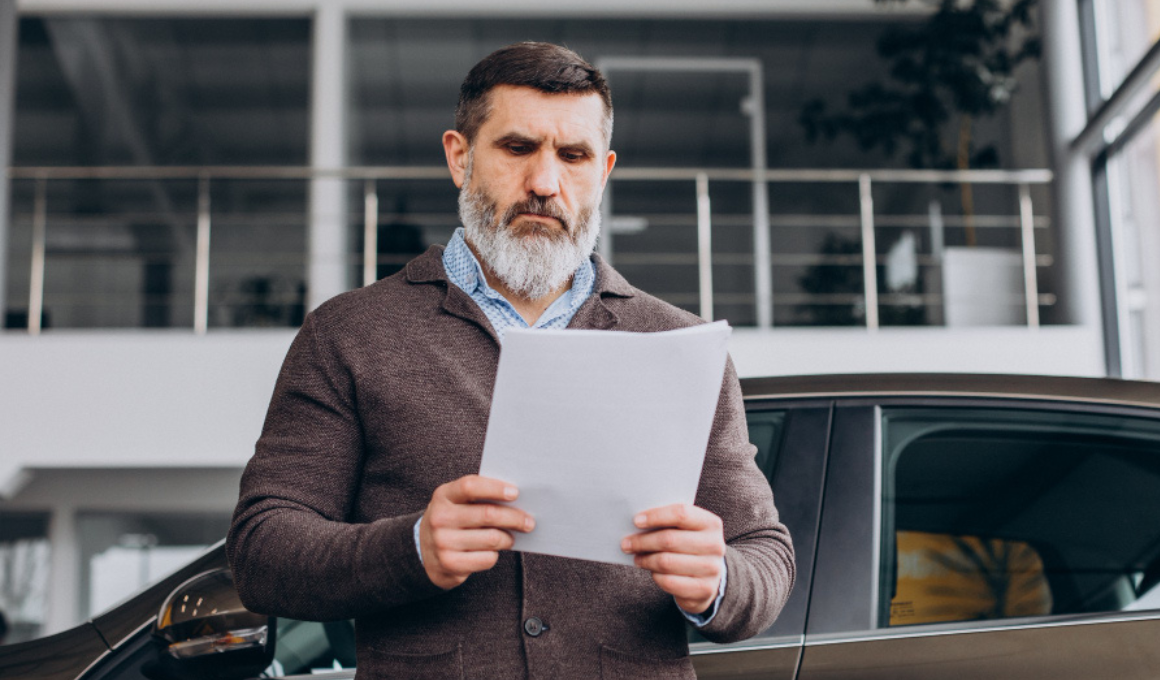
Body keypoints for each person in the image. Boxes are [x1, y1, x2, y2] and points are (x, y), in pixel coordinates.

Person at [227, 41, 793, 680]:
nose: (546, 184)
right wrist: (410, 548)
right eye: (518, 148)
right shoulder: (349, 334)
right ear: (459, 156)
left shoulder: (676, 343)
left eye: (573, 156)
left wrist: (716, 579)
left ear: (602, 171)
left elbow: (765, 554)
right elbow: (260, 550)